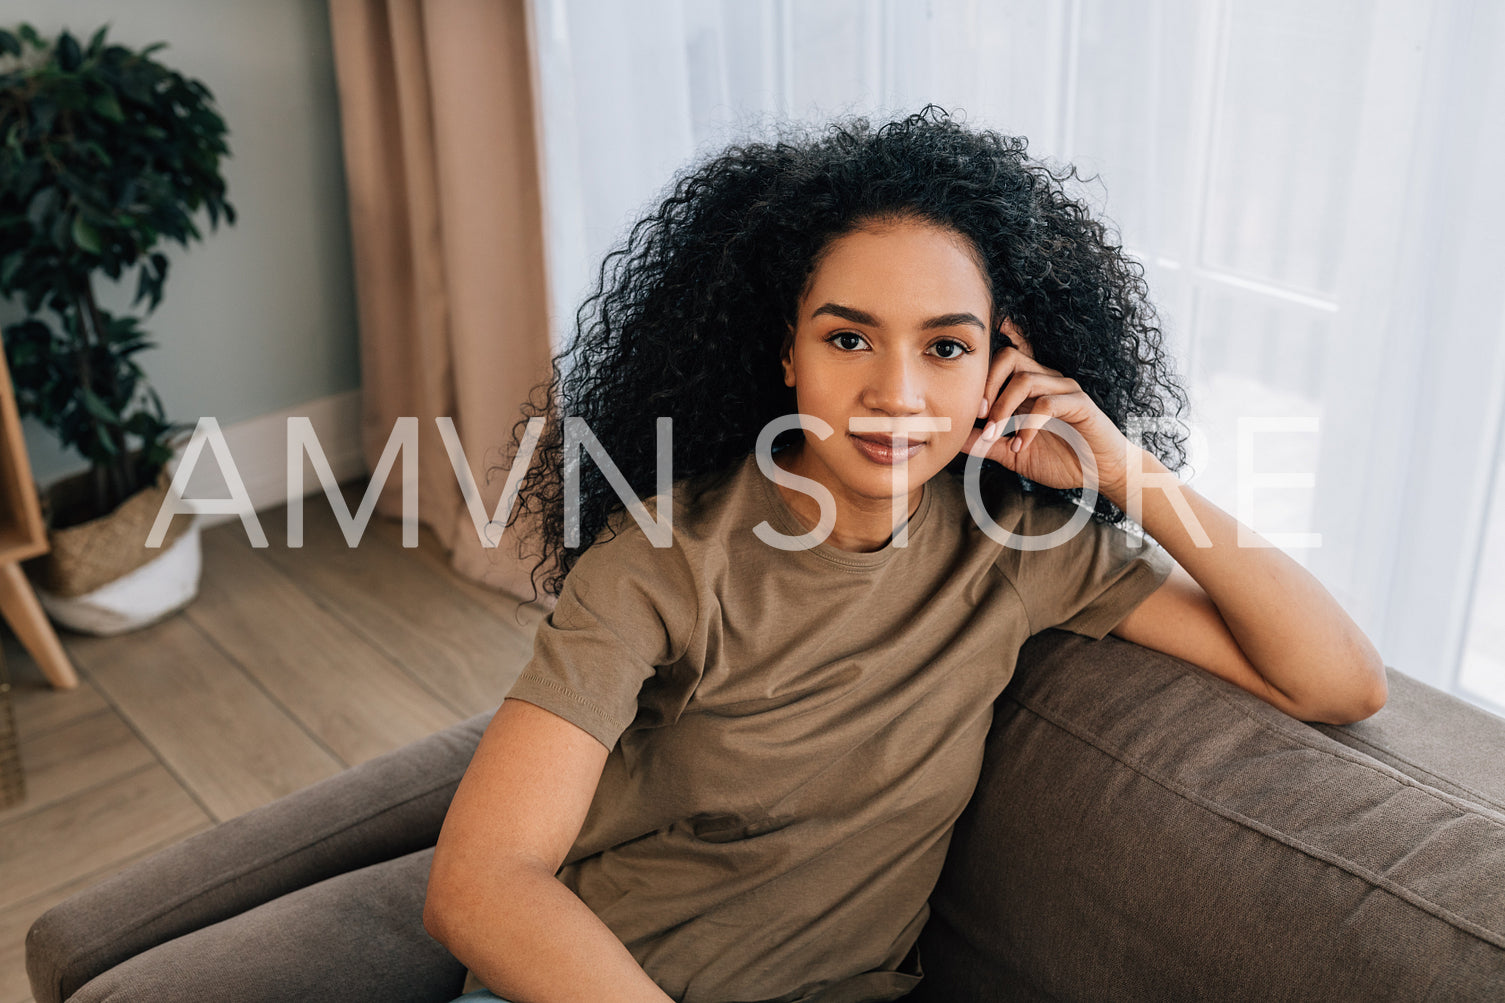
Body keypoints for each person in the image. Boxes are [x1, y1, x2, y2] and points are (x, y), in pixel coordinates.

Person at [422, 106, 1386, 1003]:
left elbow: (1337, 682)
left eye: (946, 348)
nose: (896, 392)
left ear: (1000, 369)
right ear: (786, 352)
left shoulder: (1017, 546)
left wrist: (1123, 470)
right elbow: (480, 885)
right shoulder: (662, 559)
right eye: (849, 338)